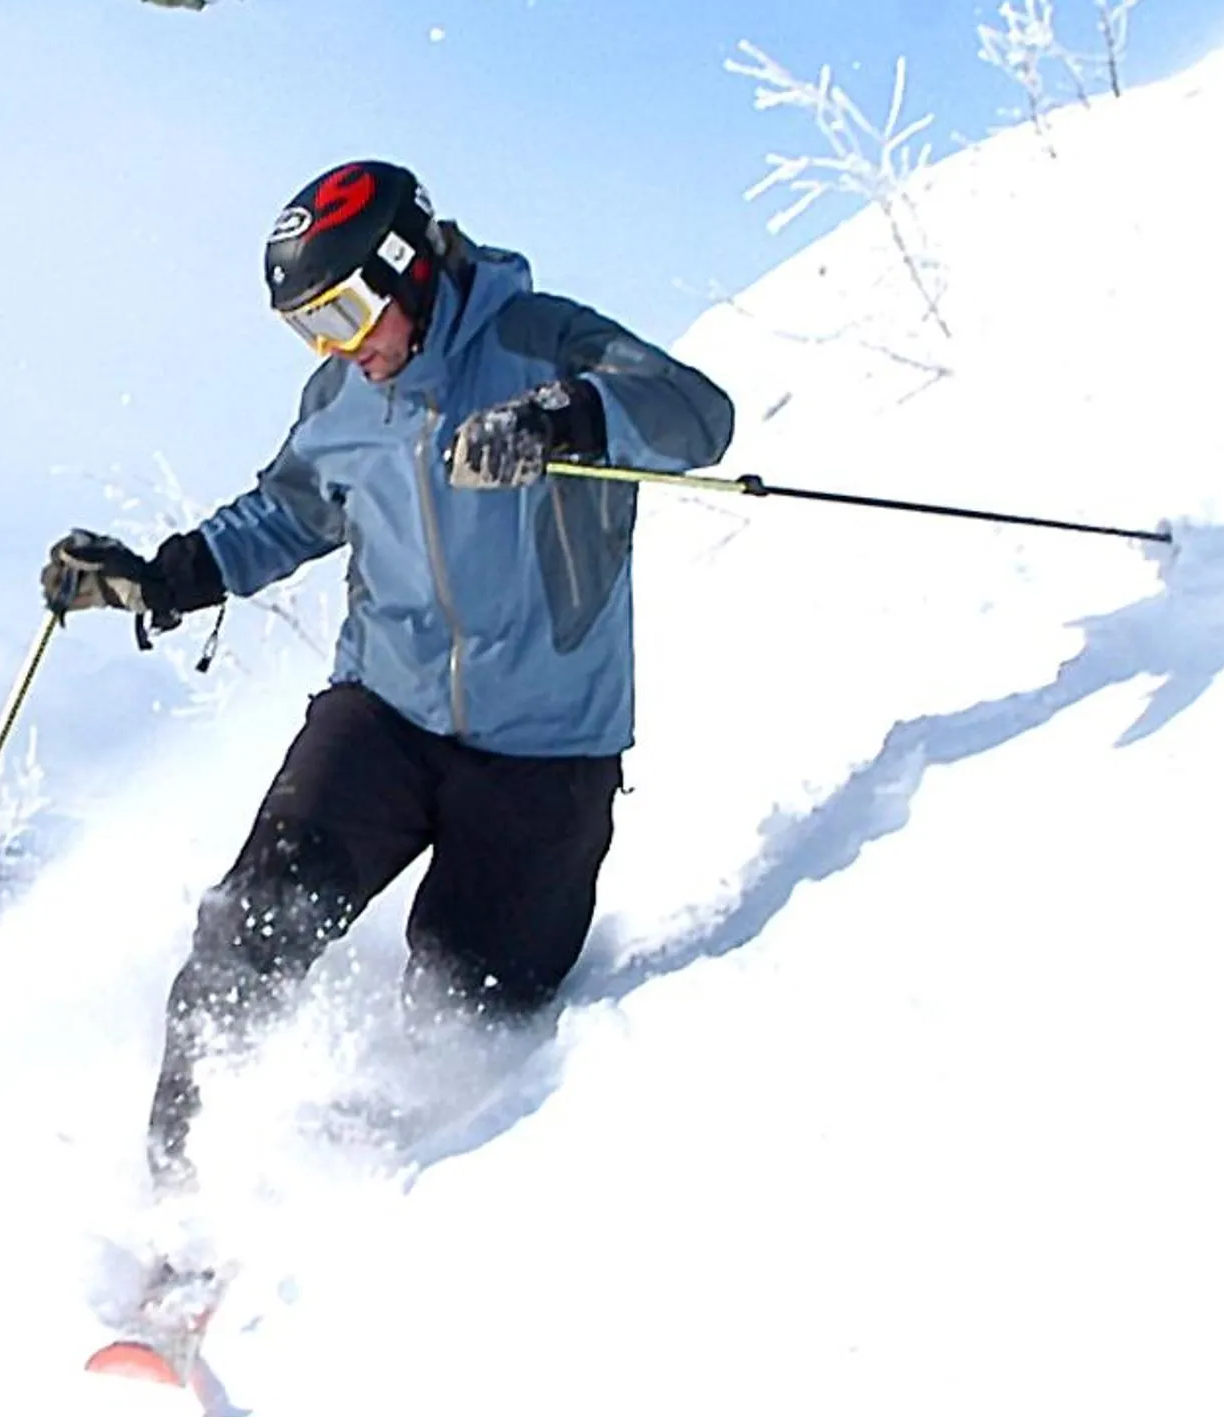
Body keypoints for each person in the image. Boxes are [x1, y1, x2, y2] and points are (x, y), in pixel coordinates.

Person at [44, 159, 734, 1186]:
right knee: (246, 931)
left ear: (408, 268)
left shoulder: (536, 338)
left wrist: (561, 420)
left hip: (544, 755)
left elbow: (693, 414)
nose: (339, 346)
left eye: (347, 310)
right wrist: (166, 574)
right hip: (385, 714)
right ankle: (173, 1200)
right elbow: (288, 508)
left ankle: (369, 1205)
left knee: (469, 1013)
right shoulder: (342, 395)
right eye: (308, 327)